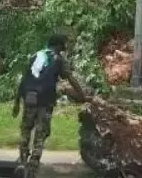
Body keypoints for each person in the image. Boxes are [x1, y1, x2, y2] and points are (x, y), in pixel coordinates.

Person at [12, 34, 88, 178]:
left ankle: (22, 161)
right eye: (62, 46)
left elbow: (23, 80)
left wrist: (16, 102)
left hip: (29, 97)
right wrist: (82, 95)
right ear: (58, 46)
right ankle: (33, 165)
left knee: (26, 130)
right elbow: (70, 78)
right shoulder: (58, 59)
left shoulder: (35, 56)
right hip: (46, 99)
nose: (63, 49)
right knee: (41, 133)